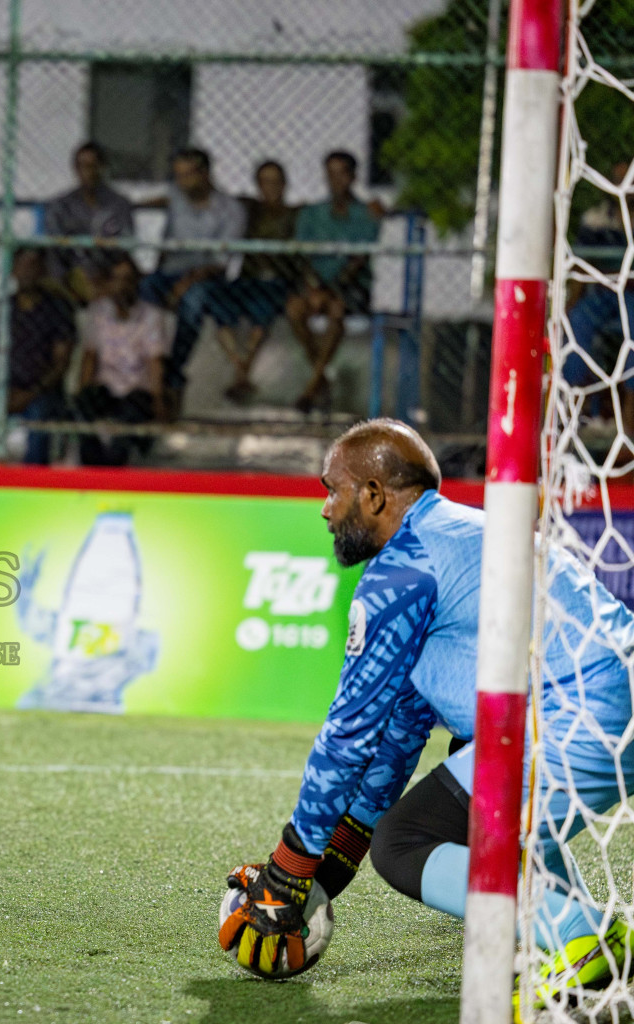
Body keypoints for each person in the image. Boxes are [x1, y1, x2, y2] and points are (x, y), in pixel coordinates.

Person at [217, 419, 634, 1015]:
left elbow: (349, 735)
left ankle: (584, 937)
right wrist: (330, 866)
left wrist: (288, 870)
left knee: (405, 841)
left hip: (584, 710)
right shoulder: (455, 534)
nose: (324, 509)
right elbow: (400, 733)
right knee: (465, 777)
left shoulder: (402, 569)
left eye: (332, 490)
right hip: (608, 700)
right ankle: (581, 938)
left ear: (374, 494)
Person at [138, 147, 245, 413]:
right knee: (146, 288)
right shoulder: (176, 197)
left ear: (205, 174)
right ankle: (151, 360)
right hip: (170, 272)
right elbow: (164, 234)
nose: (182, 182)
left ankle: (174, 370)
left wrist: (184, 285)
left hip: (208, 279)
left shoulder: (230, 209)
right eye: (178, 176)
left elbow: (220, 262)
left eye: (188, 175)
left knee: (194, 302)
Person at [0, 247, 74, 465]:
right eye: (23, 265)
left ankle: (31, 482)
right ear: (12, 271)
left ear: (43, 271)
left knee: (40, 421)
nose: (28, 272)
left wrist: (30, 393)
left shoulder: (57, 309)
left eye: (34, 265)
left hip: (39, 391)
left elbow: (61, 363)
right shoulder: (0, 308)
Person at [285, 151, 383, 414]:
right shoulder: (311, 213)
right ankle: (321, 379)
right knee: (295, 309)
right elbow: (302, 256)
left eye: (341, 173)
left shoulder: (365, 214)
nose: (335, 180)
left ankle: (311, 388)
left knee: (336, 309)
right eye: (330, 174)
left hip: (350, 286)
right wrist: (314, 288)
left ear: (352, 177)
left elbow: (357, 260)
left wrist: (327, 292)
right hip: (314, 285)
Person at [72, 254, 167, 466]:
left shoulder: (151, 315)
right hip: (106, 385)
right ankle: (92, 465)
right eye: (118, 279)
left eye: (128, 279)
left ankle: (114, 467)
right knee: (82, 405)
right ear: (109, 283)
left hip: (137, 389)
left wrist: (159, 400)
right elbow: (90, 356)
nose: (123, 286)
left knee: (133, 411)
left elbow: (155, 362)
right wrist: (82, 389)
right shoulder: (98, 313)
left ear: (137, 283)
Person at [218, 160, 299, 403]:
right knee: (218, 303)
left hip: (277, 280)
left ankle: (241, 374)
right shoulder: (249, 209)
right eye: (265, 182)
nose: (270, 188)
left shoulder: (294, 214)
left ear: (284, 185)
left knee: (262, 308)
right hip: (248, 279)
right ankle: (240, 367)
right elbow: (215, 197)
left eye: (275, 182)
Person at [563, 159, 632, 406]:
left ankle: (628, 417)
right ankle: (574, 402)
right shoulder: (596, 218)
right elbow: (582, 262)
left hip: (631, 297)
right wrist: (572, 300)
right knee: (577, 321)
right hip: (603, 294)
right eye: (617, 180)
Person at [43, 141, 134, 302]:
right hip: (75, 268)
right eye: (83, 166)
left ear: (102, 167)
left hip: (107, 268)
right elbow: (56, 248)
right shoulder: (61, 206)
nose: (89, 172)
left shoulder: (119, 204)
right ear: (76, 169)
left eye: (94, 166)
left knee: (125, 272)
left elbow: (125, 242)